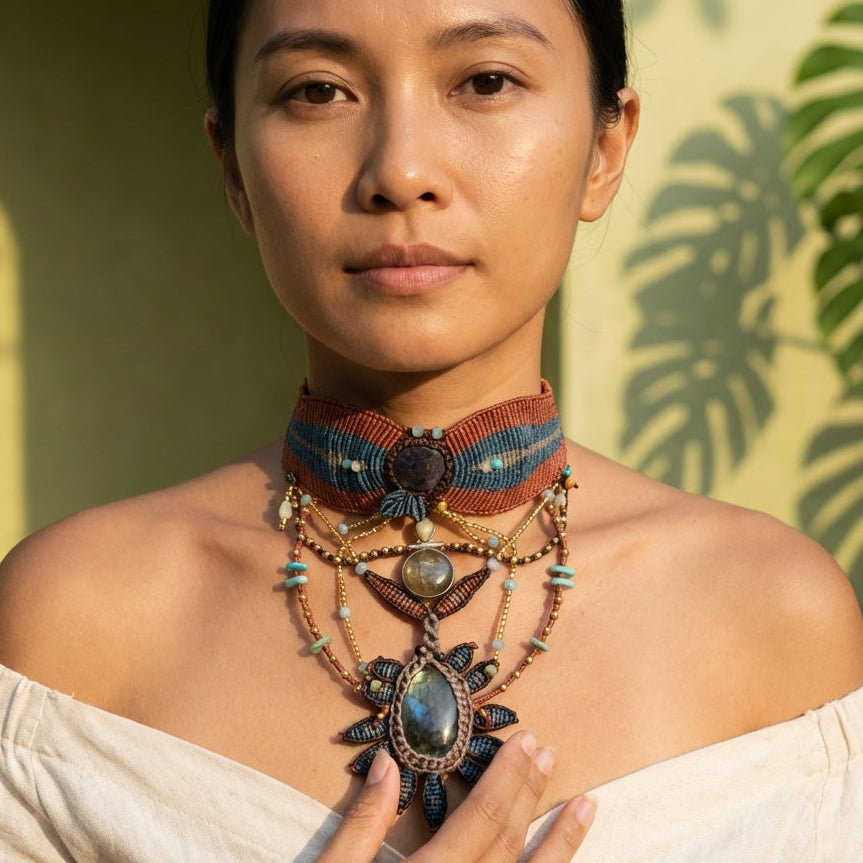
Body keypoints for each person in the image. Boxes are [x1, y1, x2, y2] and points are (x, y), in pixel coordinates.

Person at [2, 0, 863, 860]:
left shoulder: (772, 623)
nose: (401, 170)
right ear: (232, 166)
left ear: (606, 147)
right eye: (317, 91)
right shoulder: (74, 632)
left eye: (486, 81)